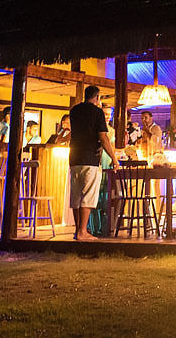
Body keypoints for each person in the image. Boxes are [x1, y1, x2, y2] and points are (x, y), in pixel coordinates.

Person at [68, 85, 120, 240]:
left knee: (76, 196)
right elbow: (103, 137)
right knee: (88, 195)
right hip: (90, 157)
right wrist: (114, 158)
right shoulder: (97, 112)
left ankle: (78, 231)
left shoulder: (74, 111)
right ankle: (83, 231)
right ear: (97, 97)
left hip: (74, 157)